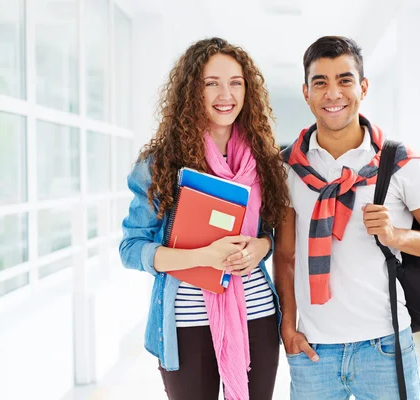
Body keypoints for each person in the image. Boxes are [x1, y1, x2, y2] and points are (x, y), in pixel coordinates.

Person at [273, 36, 420, 400]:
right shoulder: (287, 169)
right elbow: (285, 256)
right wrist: (287, 327)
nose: (333, 94)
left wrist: (398, 237)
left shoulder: (401, 164)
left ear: (363, 87)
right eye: (321, 82)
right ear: (306, 92)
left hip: (386, 347)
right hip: (314, 351)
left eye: (345, 80)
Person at [119, 37, 289, 400]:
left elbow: (268, 232)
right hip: (187, 323)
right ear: (191, 90)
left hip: (256, 316)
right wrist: (203, 257)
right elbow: (131, 248)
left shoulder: (263, 159)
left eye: (235, 83)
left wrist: (260, 247)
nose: (224, 94)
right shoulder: (160, 163)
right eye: (211, 83)